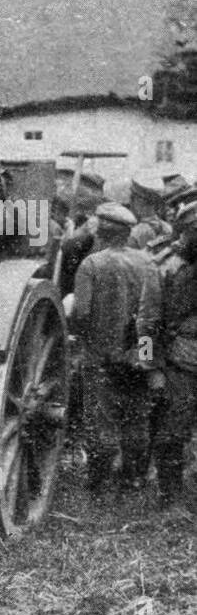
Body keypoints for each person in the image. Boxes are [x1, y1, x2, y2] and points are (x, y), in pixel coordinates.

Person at [70, 201, 161, 493]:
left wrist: (83, 339)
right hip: (138, 355)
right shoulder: (148, 262)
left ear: (102, 232)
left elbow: (81, 313)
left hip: (100, 355)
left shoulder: (92, 264)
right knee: (137, 417)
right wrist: (146, 358)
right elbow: (153, 314)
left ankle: (97, 484)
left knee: (101, 419)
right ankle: (132, 480)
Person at [152, 202, 197, 508]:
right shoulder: (168, 268)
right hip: (180, 363)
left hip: (182, 359)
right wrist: (151, 366)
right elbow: (147, 321)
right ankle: (170, 497)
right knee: (172, 433)